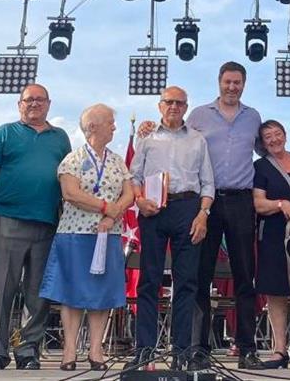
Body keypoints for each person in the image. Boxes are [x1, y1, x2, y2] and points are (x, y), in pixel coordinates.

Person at [0, 83, 71, 371]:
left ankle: (28, 350)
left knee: (38, 293)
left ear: (49, 104)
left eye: (40, 99)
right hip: (7, 220)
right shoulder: (4, 133)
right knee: (0, 289)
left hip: (47, 224)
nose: (34, 104)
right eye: (28, 100)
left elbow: (68, 180)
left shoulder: (60, 138)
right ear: (19, 105)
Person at [40, 103, 134, 371]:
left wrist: (112, 216)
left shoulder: (117, 161)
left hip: (108, 234)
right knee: (72, 291)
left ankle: (96, 350)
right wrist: (105, 207)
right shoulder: (72, 159)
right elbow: (71, 193)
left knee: (101, 292)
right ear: (93, 126)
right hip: (75, 234)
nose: (114, 127)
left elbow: (129, 193)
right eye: (110, 122)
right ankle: (69, 350)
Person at [186, 62, 264, 369]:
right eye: (228, 81)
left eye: (238, 82)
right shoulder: (199, 115)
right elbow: (181, 146)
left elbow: (267, 150)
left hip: (242, 202)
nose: (232, 87)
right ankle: (198, 348)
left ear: (244, 84)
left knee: (245, 276)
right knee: (200, 276)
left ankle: (246, 348)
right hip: (206, 201)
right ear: (219, 82)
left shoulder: (253, 117)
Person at [130, 86, 214, 370]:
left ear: (186, 107)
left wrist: (203, 214)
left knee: (186, 282)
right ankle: (145, 350)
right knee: (149, 280)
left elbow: (208, 183)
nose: (174, 107)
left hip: (188, 209)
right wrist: (139, 200)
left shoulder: (197, 140)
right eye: (169, 102)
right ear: (160, 105)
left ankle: (181, 351)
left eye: (180, 103)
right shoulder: (147, 138)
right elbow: (134, 176)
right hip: (153, 210)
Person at [252, 120, 290, 371]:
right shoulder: (260, 167)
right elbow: (258, 203)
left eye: (277, 134)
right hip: (273, 234)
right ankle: (279, 349)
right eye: (268, 136)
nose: (274, 139)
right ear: (263, 143)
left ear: (285, 135)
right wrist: (279, 204)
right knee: (275, 291)